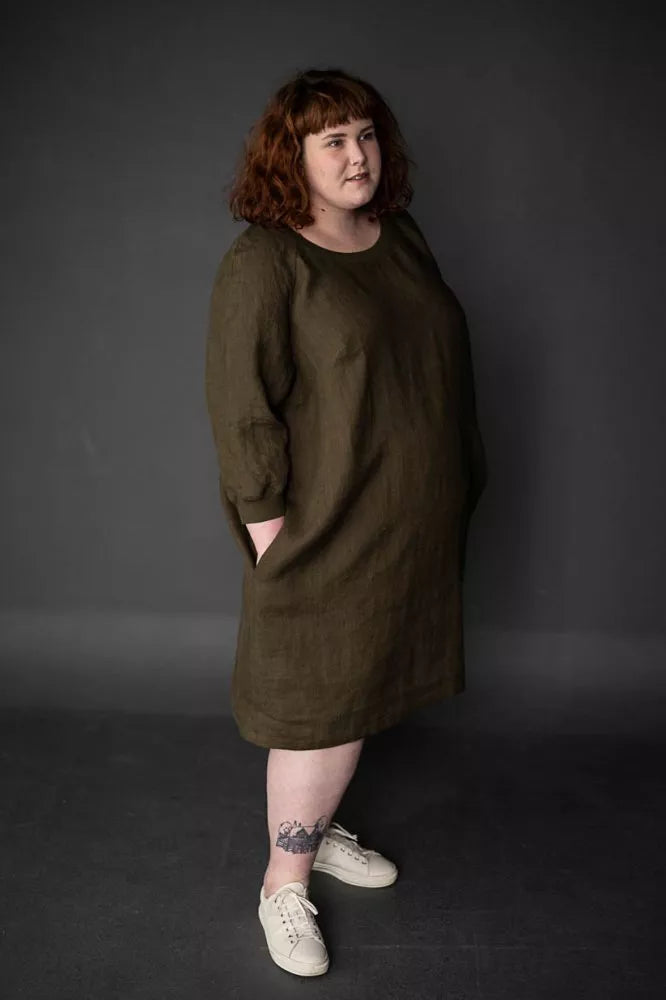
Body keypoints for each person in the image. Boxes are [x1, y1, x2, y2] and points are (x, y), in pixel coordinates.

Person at [204, 67, 487, 977]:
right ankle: (282, 883)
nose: (356, 155)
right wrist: (271, 536)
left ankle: (316, 831)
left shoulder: (398, 237)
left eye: (365, 135)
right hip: (326, 529)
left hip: (405, 526)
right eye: (332, 141)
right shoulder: (266, 261)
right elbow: (241, 408)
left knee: (355, 690)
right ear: (290, 156)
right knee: (317, 706)